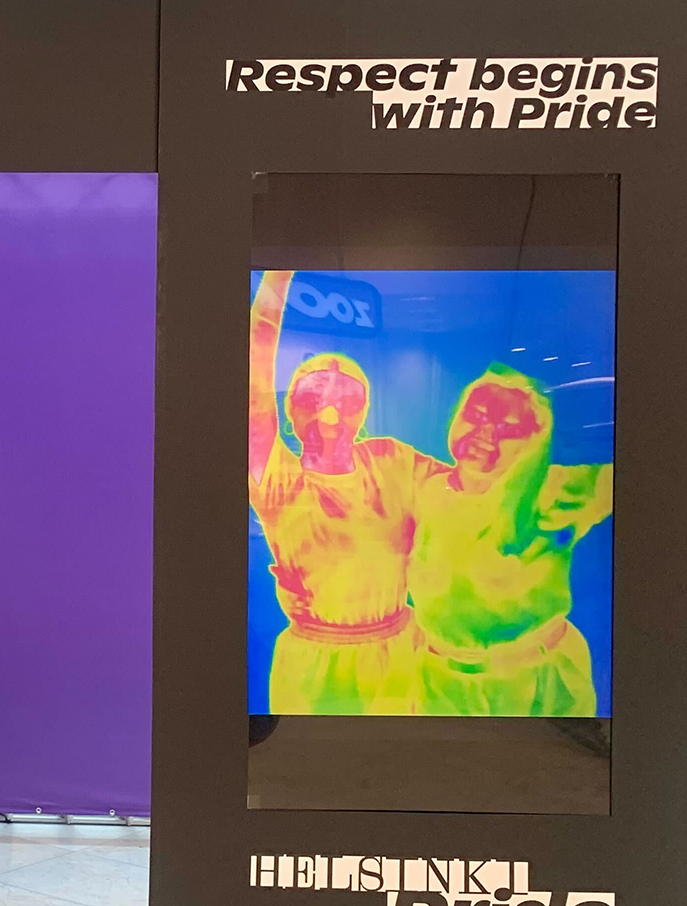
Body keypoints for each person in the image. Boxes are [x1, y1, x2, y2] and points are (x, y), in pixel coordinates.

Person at [248, 269, 443, 715]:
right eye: (311, 400)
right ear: (289, 413)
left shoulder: (391, 461)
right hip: (314, 664)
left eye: (346, 401)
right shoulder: (280, 482)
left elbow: (466, 496)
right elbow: (254, 367)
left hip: (400, 652)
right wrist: (279, 268)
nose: (329, 416)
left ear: (364, 411)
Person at [409, 367, 612, 716]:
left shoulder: (550, 492)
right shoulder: (428, 488)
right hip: (441, 682)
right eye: (477, 416)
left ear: (534, 439)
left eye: (510, 428)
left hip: (535, 681)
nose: (487, 434)